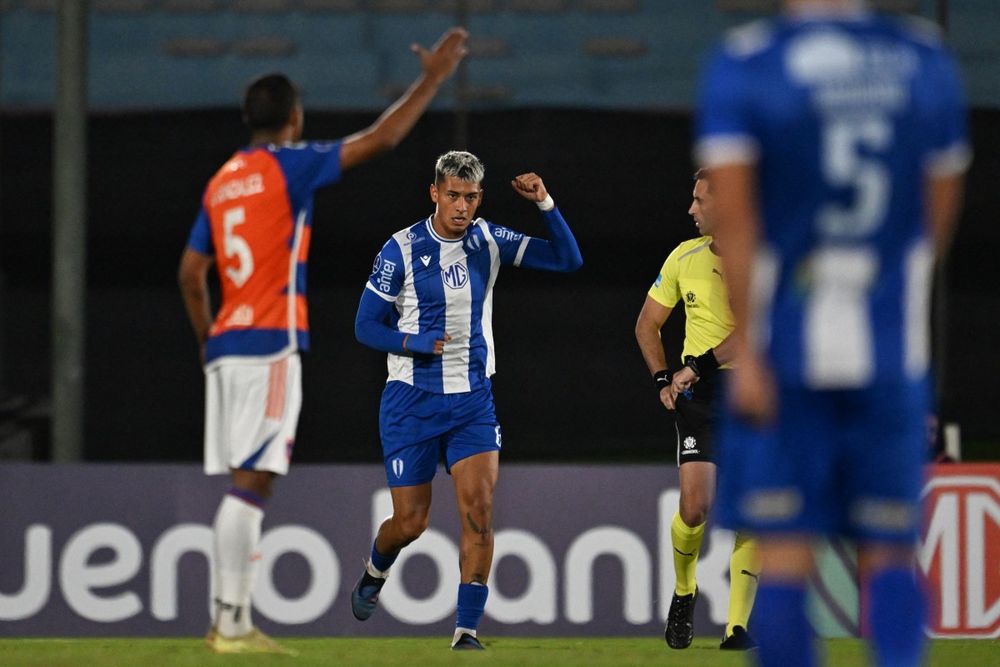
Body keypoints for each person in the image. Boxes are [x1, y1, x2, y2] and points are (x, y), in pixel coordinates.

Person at [695, 1, 970, 665]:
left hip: (789, 353)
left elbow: (733, 225)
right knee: (892, 550)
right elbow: (937, 212)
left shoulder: (747, 64)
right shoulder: (924, 59)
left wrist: (752, 348)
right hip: (890, 350)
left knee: (785, 551)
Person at [177, 28, 469, 654]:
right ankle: (229, 623)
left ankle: (230, 621)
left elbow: (190, 273)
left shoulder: (222, 180)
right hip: (268, 342)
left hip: (227, 346)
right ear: (294, 119)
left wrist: (209, 341)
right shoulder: (289, 164)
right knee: (251, 484)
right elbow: (384, 139)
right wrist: (432, 80)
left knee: (243, 480)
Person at [350, 150, 582, 650]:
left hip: (473, 403)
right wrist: (411, 342)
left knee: (479, 511)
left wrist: (544, 202)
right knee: (411, 523)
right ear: (434, 193)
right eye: (453, 195)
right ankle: (375, 569)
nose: (462, 206)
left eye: (471, 197)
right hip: (410, 402)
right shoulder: (401, 250)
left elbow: (568, 259)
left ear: (480, 198)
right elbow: (364, 325)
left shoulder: (488, 240)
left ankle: (466, 632)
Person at [635, 169, 759, 651]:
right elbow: (647, 325)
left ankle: (737, 626)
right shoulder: (684, 257)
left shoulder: (759, 256)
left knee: (753, 509)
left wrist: (697, 366)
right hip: (701, 398)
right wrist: (663, 378)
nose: (691, 209)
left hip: (751, 391)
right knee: (696, 505)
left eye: (700, 200)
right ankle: (685, 592)